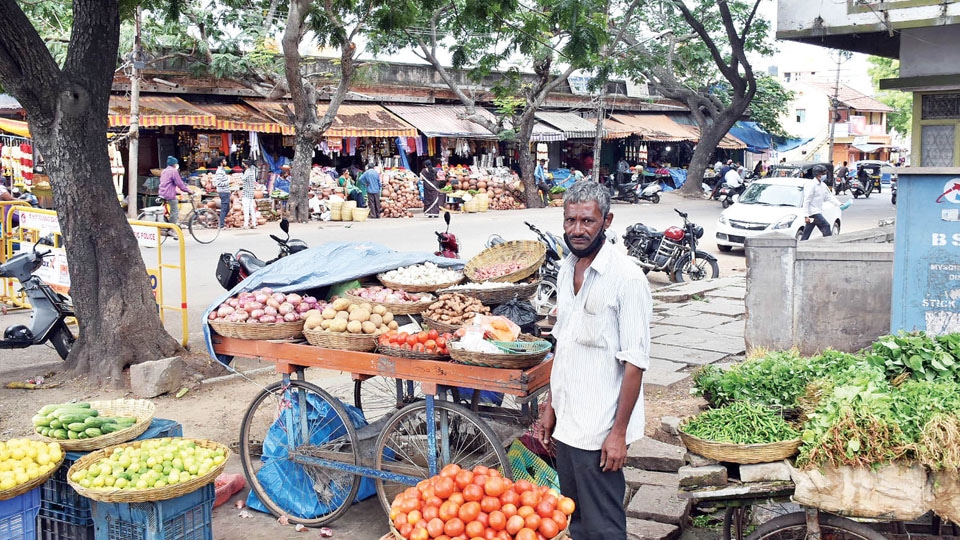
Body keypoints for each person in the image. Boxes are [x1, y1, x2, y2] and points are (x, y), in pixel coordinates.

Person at [539, 181, 652, 540]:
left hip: (600, 426)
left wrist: (618, 433)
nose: (577, 230)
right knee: (576, 518)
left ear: (606, 220)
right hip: (568, 420)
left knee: (603, 526)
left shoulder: (627, 278)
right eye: (570, 220)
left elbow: (635, 364)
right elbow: (564, 343)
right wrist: (549, 404)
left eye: (587, 221)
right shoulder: (565, 268)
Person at [800, 165, 842, 241]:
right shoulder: (811, 185)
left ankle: (800, 246)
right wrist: (806, 215)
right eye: (823, 173)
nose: (824, 175)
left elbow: (829, 197)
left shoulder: (822, 185)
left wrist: (839, 204)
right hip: (813, 212)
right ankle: (829, 244)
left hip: (817, 211)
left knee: (807, 232)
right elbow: (806, 200)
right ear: (818, 174)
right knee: (826, 226)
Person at [158, 156, 189, 231]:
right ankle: (172, 230)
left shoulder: (164, 171)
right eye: (176, 163)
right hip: (169, 194)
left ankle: (168, 225)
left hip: (162, 192)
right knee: (175, 211)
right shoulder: (174, 171)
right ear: (174, 164)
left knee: (169, 209)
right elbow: (180, 183)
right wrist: (188, 190)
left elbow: (167, 183)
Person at [213, 158, 231, 229]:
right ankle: (221, 225)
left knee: (227, 208)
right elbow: (218, 183)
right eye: (224, 161)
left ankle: (221, 221)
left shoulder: (222, 170)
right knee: (224, 208)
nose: (225, 162)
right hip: (223, 192)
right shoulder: (220, 171)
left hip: (225, 191)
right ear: (221, 162)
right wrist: (228, 181)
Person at [241, 159, 258, 229]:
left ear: (246, 165)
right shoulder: (252, 171)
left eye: (243, 164)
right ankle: (254, 223)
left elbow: (242, 179)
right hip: (251, 192)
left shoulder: (247, 172)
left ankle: (246, 224)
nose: (242, 165)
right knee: (251, 209)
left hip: (246, 193)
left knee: (246, 209)